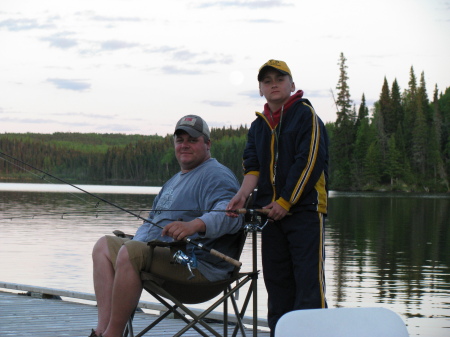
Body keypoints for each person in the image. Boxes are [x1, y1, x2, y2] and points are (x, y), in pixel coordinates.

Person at [89, 115, 243, 337]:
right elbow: (150, 223)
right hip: (163, 256)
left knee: (131, 253)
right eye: (180, 140)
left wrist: (195, 225)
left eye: (192, 140)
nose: (185, 145)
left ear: (207, 144)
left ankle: (113, 334)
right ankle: (102, 330)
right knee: (104, 246)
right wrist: (135, 242)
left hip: (198, 267)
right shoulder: (173, 181)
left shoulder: (216, 175)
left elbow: (231, 215)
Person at [226, 59, 329, 336]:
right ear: (260, 89)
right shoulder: (257, 126)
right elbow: (253, 167)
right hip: (269, 215)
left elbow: (308, 163)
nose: (273, 83)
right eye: (267, 80)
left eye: (279, 79)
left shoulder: (306, 116)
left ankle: (314, 332)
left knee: (309, 285)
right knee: (277, 284)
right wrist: (242, 196)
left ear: (292, 85)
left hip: (305, 212)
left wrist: (286, 201)